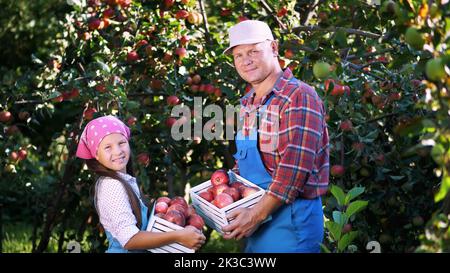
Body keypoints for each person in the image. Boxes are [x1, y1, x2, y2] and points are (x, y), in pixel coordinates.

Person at [222, 20, 329, 253]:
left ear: (273, 48)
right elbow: (246, 163)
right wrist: (223, 195)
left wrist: (255, 216)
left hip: (291, 224)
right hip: (258, 224)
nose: (245, 60)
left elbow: (293, 172)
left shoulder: (298, 96)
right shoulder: (248, 103)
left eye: (253, 51)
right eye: (238, 55)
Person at [76, 115, 205, 253]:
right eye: (108, 147)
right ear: (96, 155)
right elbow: (129, 239)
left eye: (121, 143)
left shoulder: (122, 180)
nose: (118, 151)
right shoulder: (111, 186)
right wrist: (178, 236)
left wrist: (183, 213)